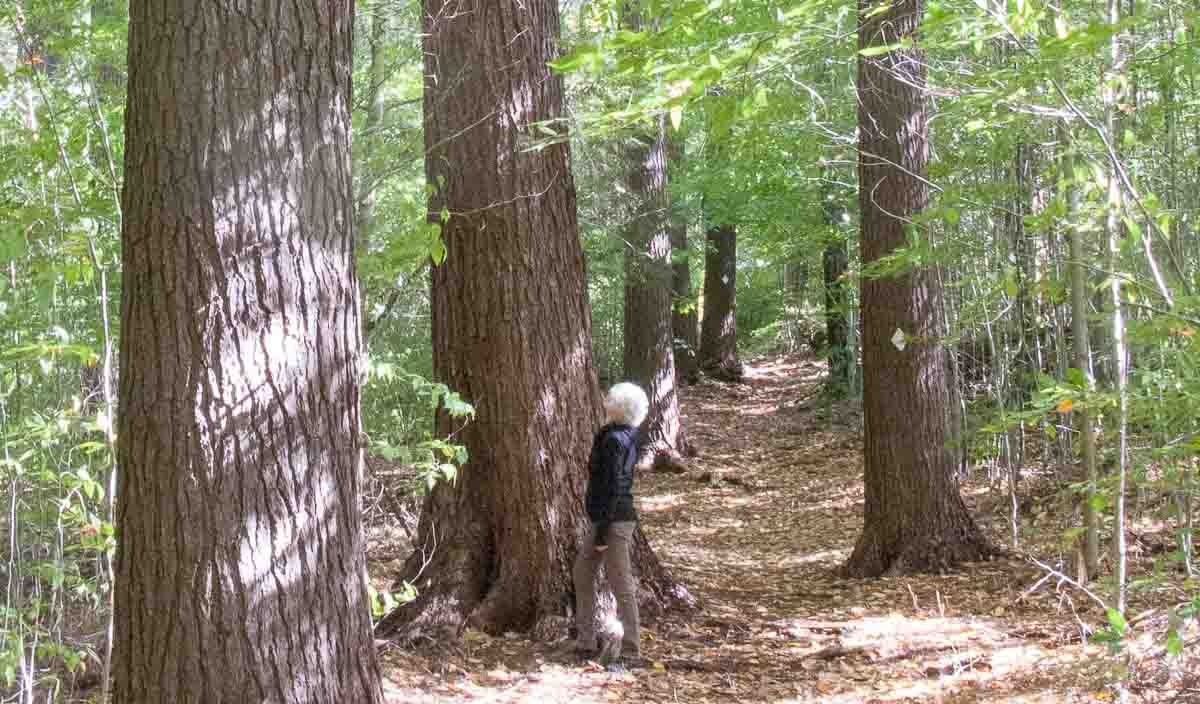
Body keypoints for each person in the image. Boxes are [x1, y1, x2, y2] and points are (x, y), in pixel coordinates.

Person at [573, 382, 648, 667]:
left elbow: (614, 486)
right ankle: (586, 641)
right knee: (582, 574)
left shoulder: (617, 440)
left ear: (622, 408)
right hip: (606, 519)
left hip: (614, 521)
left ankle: (631, 651)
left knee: (621, 583)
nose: (607, 400)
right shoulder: (618, 435)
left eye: (612, 399)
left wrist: (603, 530)